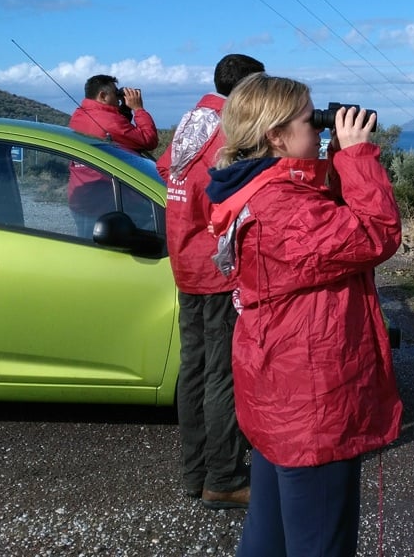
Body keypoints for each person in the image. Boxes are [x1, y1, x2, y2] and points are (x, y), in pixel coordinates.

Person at [206, 73, 402, 556]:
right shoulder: (281, 206)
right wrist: (357, 156)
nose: (318, 127)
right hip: (313, 398)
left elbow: (330, 225)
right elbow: (375, 233)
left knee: (269, 532)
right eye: (309, 119)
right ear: (275, 135)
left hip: (282, 388)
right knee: (318, 541)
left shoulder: (263, 188)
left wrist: (335, 156)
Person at [158, 53, 264, 511]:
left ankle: (194, 472)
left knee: (195, 370)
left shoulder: (191, 121)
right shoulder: (227, 130)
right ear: (247, 90)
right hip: (217, 269)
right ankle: (223, 478)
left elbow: (166, 170)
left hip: (185, 262)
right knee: (222, 376)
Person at [68, 74, 158, 237]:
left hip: (81, 196)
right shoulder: (110, 121)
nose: (118, 97)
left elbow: (118, 135)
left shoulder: (79, 115)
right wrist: (138, 109)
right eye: (115, 93)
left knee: (87, 245)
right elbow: (148, 140)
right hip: (106, 199)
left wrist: (123, 110)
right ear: (102, 96)